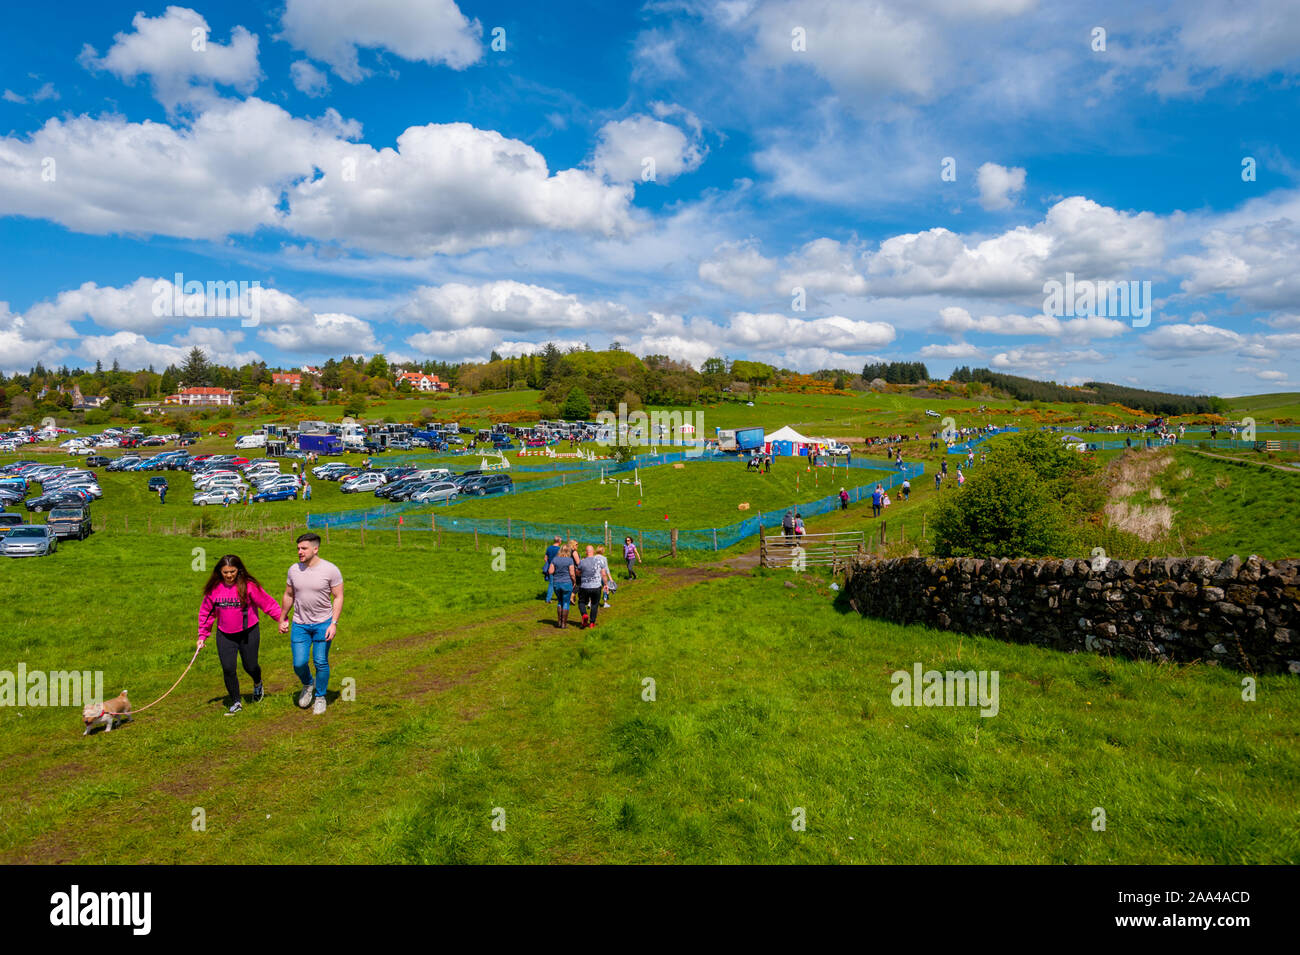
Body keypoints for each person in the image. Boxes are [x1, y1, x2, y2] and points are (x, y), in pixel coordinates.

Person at [197, 555, 283, 716]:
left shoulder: (249, 586)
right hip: (225, 634)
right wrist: (202, 636)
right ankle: (236, 701)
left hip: (248, 632)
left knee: (250, 666)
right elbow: (206, 613)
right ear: (219, 572)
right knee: (228, 668)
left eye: (232, 571)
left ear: (239, 570)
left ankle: (257, 682)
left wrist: (281, 619)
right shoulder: (214, 590)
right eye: (225, 572)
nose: (229, 575)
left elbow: (267, 603)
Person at [279, 532, 343, 716]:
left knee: (320, 661)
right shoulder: (293, 570)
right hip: (300, 624)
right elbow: (289, 595)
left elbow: (338, 597)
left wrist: (334, 623)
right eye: (298, 548)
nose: (300, 551)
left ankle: (321, 696)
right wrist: (283, 617)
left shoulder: (330, 570)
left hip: (323, 623)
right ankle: (308, 684)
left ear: (315, 549)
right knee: (299, 663)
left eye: (304, 548)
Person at [576, 545, 610, 629]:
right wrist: (605, 584)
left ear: (586, 552)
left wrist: (582, 574)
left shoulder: (582, 562)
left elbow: (577, 572)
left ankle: (584, 614)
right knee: (595, 604)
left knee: (581, 602)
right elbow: (604, 574)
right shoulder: (599, 561)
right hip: (596, 586)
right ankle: (592, 623)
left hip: (584, 586)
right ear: (593, 551)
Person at [547, 543, 578, 628]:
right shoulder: (569, 560)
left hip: (556, 583)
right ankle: (564, 623)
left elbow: (550, 571)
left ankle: (559, 622)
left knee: (559, 602)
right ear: (568, 551)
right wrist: (574, 581)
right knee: (566, 602)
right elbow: (572, 573)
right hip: (567, 583)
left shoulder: (555, 559)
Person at [542, 535, 561, 603]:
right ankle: (560, 598)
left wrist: (549, 563)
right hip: (557, 568)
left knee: (552, 583)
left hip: (550, 568)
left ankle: (548, 599)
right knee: (558, 583)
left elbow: (545, 558)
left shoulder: (549, 548)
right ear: (559, 541)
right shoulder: (560, 549)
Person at [595, 544, 615, 608]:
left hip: (595, 575)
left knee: (595, 588)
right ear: (602, 551)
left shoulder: (593, 557)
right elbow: (606, 569)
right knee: (605, 587)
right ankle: (605, 602)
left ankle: (590, 602)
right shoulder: (604, 558)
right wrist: (610, 578)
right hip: (602, 575)